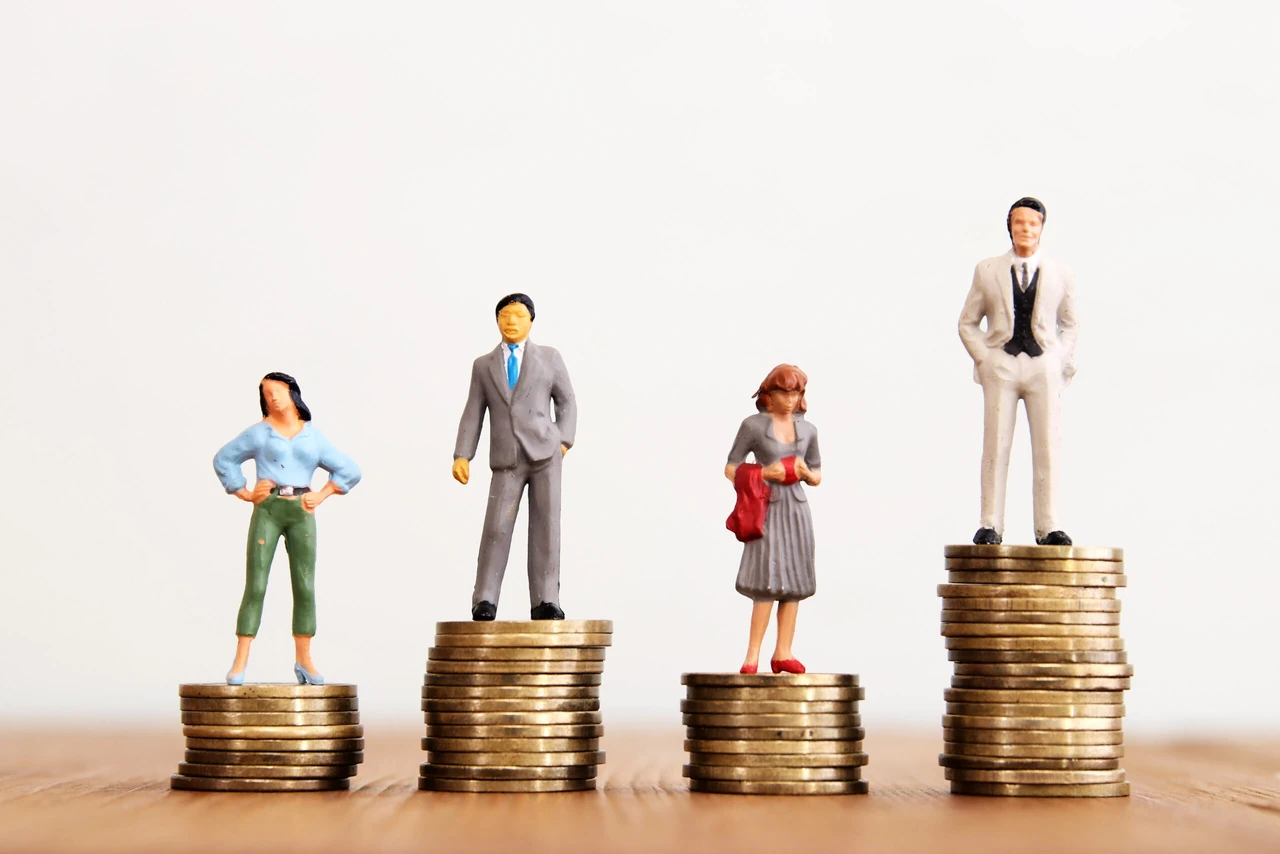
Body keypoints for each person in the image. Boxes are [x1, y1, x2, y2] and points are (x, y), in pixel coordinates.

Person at [212, 372, 361, 685]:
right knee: (256, 584)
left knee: (305, 585)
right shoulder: (260, 433)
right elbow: (224, 459)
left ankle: (305, 660)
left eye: (277, 390)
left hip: (300, 511)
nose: (273, 397)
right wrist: (246, 492)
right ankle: (240, 661)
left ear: (293, 392)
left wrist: (321, 494)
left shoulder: (313, 437)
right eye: (266, 393)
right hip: (268, 509)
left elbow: (349, 469)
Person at [958, 197, 1078, 546]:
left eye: (1033, 223)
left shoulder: (1061, 273)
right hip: (1003, 365)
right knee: (996, 444)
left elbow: (1070, 324)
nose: (1026, 229)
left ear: (1042, 227)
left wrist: (1057, 358)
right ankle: (990, 523)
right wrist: (986, 357)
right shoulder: (987, 270)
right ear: (1009, 225)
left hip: (1042, 365)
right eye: (1019, 222)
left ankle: (1049, 525)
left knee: (1047, 445)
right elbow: (968, 322)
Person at [453, 293, 577, 621]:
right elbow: (472, 412)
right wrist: (463, 454)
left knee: (546, 528)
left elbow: (567, 402)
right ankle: (485, 599)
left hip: (545, 455)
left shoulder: (549, 358)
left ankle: (546, 599)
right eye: (506, 315)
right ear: (496, 320)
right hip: (505, 457)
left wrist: (562, 442)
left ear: (531, 321)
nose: (512, 322)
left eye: (519, 316)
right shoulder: (483, 365)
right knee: (496, 527)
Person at [725, 364, 822, 674]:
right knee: (766, 584)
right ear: (768, 393)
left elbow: (817, 474)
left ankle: (783, 651)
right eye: (784, 392)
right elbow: (731, 468)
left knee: (794, 584)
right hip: (767, 509)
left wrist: (806, 473)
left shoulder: (808, 430)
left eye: (796, 393)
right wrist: (765, 472)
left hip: (797, 511)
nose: (791, 399)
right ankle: (752, 655)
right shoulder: (752, 426)